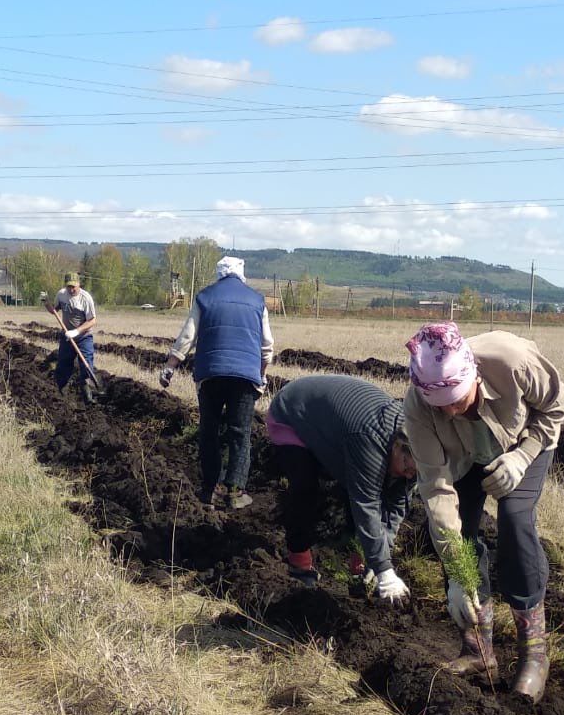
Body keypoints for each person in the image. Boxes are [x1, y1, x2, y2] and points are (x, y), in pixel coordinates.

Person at [403, 323, 564, 701]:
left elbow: (557, 406)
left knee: (515, 521)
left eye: (457, 399)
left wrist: (522, 456)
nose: (450, 409)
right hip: (463, 460)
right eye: (440, 404)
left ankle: (534, 655)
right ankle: (478, 650)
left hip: (522, 445)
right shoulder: (417, 407)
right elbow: (436, 488)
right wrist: (458, 578)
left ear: (472, 375)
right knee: (456, 536)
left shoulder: (511, 360)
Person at [267, 374, 417, 599]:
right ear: (398, 446)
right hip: (293, 413)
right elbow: (366, 505)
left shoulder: (419, 454)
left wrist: (379, 559)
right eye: (406, 466)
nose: (409, 474)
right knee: (306, 489)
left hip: (336, 430)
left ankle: (360, 566)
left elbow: (394, 509)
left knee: (356, 491)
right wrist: (385, 570)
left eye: (415, 473)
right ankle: (299, 561)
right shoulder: (370, 440)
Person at [160, 256, 273, 509]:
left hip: (210, 374)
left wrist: (170, 366)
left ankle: (209, 489)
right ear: (241, 273)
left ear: (219, 273)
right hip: (245, 377)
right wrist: (262, 374)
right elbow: (267, 346)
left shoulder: (205, 297)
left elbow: (187, 337)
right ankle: (234, 490)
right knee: (240, 432)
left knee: (209, 431)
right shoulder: (257, 300)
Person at [46, 271, 98, 404]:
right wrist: (46, 303)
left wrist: (76, 331)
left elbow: (92, 321)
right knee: (63, 365)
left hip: (84, 337)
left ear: (79, 284)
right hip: (67, 338)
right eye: (69, 286)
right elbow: (54, 310)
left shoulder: (85, 298)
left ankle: (88, 395)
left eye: (74, 286)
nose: (72, 289)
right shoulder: (61, 294)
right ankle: (61, 394)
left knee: (86, 365)